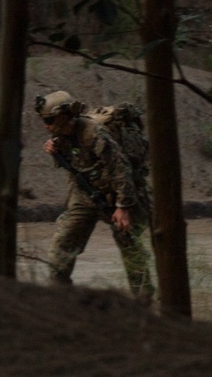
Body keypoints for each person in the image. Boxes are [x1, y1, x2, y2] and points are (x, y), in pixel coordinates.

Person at [34, 90, 155, 303]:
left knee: (129, 246)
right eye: (45, 120)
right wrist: (53, 149)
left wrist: (123, 206)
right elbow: (74, 163)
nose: (46, 124)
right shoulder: (61, 135)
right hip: (85, 195)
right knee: (63, 243)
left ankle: (143, 301)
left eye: (49, 119)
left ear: (64, 116)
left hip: (117, 194)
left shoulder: (94, 133)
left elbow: (120, 168)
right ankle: (60, 299)